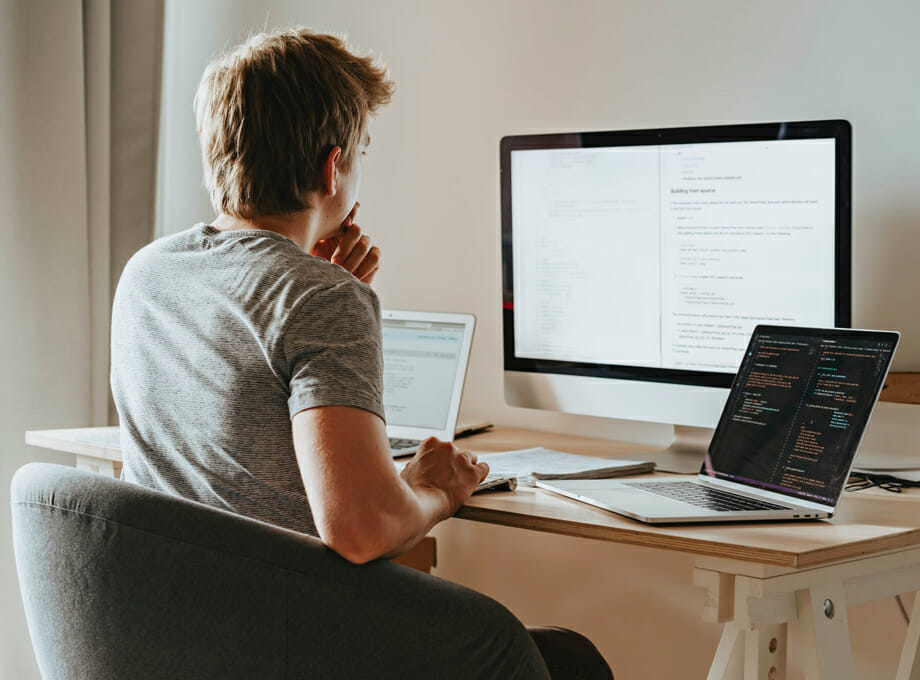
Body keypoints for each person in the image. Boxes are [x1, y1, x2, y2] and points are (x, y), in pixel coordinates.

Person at [110, 27, 613, 680]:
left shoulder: (149, 272)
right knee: (569, 660)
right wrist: (432, 489)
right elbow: (360, 526)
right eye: (363, 154)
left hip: (175, 636)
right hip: (283, 640)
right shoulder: (320, 298)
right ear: (332, 166)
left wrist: (317, 282)